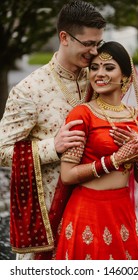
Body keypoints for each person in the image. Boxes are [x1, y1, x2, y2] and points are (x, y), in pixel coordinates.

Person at [0, 0, 106, 260]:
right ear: (64, 37)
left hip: (96, 216)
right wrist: (52, 147)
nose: (94, 52)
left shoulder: (100, 79)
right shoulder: (29, 90)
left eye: (98, 44)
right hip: (47, 223)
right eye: (88, 44)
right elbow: (1, 151)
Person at [53, 41, 138, 260]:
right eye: (94, 67)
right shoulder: (81, 114)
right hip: (87, 210)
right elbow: (67, 176)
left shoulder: (137, 117)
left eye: (109, 67)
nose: (99, 74)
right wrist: (114, 159)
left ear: (125, 75)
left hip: (121, 209)